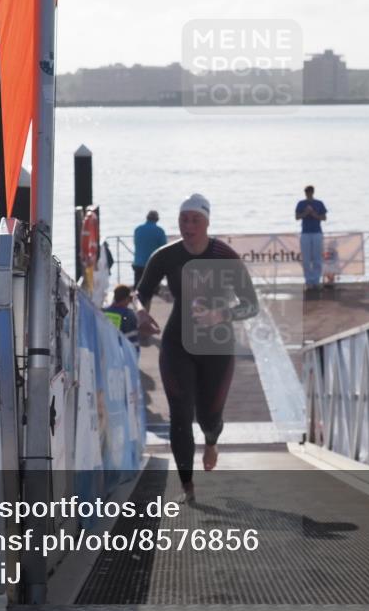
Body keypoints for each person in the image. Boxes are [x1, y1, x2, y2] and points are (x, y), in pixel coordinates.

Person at [135, 194, 258, 503]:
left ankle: (212, 440)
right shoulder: (166, 256)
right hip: (177, 343)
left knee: (209, 415)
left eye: (194, 220)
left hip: (217, 345)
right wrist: (141, 311)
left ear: (207, 223)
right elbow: (143, 291)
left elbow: (251, 305)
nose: (188, 226)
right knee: (180, 413)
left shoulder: (225, 256)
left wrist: (222, 314)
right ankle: (187, 487)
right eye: (183, 220)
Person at [295, 185, 327, 289]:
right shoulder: (301, 203)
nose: (308, 194)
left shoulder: (319, 203)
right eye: (307, 192)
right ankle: (308, 281)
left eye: (309, 192)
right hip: (305, 233)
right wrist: (305, 212)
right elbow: (297, 217)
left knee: (317, 258)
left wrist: (313, 213)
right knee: (306, 259)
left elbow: (324, 217)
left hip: (317, 232)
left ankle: (316, 281)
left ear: (313, 192)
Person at [133, 210, 167, 289]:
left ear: (147, 218)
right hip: (153, 264)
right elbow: (164, 248)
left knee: (137, 288)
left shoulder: (138, 229)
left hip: (138, 263)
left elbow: (136, 243)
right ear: (157, 219)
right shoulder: (160, 231)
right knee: (153, 288)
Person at [103, 284, 139, 353]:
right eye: (129, 298)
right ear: (125, 299)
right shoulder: (129, 314)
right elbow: (138, 328)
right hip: (127, 352)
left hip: (109, 350)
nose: (130, 301)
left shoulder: (104, 312)